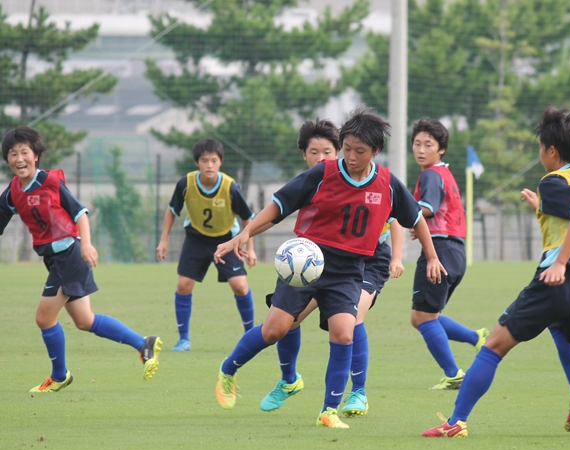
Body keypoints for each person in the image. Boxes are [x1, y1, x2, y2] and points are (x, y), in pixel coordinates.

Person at [213, 107, 447, 429]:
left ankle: (329, 410)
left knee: (343, 333)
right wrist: (244, 233)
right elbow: (279, 206)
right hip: (306, 261)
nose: (351, 156)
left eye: (359, 151)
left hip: (350, 269)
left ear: (375, 152)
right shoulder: (322, 173)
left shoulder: (388, 184)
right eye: (347, 148)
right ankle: (228, 370)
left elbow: (416, 219)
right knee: (275, 330)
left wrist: (432, 256)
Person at [422, 106, 570, 438]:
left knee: (493, 345)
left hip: (561, 279)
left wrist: (561, 263)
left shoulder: (553, 180)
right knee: (562, 327)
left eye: (541, 148)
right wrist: (539, 208)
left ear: (552, 151)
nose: (540, 155)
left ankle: (456, 423)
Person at [259, 118, 405, 418]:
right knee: (290, 321)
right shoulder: (323, 177)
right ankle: (289, 380)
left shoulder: (375, 180)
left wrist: (397, 257)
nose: (323, 158)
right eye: (315, 152)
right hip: (326, 259)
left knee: (352, 319)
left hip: (369, 260)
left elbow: (398, 218)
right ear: (305, 155)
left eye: (328, 151)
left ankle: (358, 392)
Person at [0, 126, 162, 392]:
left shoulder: (50, 181)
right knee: (84, 320)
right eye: (13, 154)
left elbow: (80, 213)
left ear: (36, 155)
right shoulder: (12, 193)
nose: (19, 158)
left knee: (44, 318)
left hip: (69, 256)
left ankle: (60, 375)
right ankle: (143, 343)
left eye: (24, 152)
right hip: (54, 260)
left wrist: (86, 244)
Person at [409, 118, 490, 390]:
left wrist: (400, 215)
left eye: (428, 145)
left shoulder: (430, 174)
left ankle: (453, 373)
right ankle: (475, 337)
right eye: (417, 144)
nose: (421, 150)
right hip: (456, 252)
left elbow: (428, 208)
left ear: (441, 149)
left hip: (439, 251)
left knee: (422, 318)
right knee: (423, 316)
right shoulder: (445, 173)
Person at [156, 138, 256, 351]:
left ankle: (252, 336)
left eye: (213, 160)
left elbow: (249, 219)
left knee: (240, 286)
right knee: (183, 285)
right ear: (197, 163)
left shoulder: (230, 187)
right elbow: (172, 211)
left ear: (220, 162)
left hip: (227, 240)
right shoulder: (186, 184)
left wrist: (250, 248)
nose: (209, 165)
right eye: (204, 160)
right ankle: (184, 340)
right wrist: (163, 240)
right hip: (196, 239)